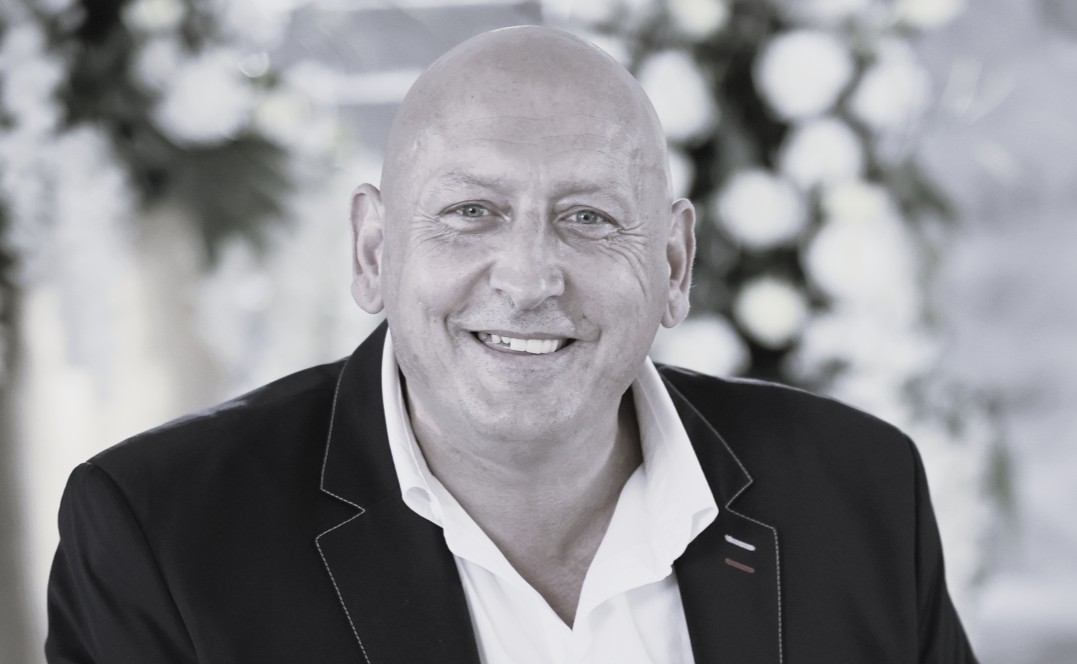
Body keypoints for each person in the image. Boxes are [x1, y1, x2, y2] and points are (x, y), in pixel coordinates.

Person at [45, 26, 977, 664]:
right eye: (470, 211)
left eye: (587, 217)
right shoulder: (160, 533)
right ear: (372, 251)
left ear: (673, 262)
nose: (529, 280)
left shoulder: (858, 490)